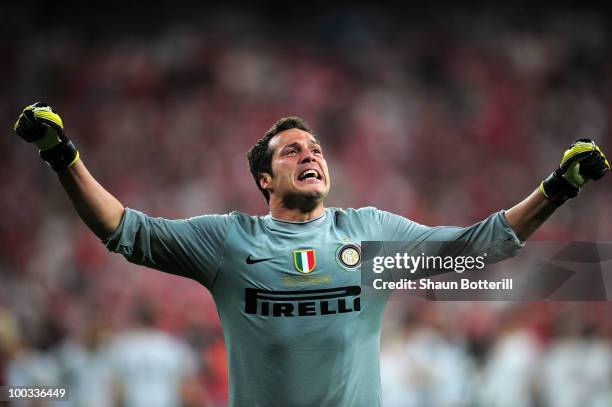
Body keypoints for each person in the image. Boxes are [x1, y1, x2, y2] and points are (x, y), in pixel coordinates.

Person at [12, 102, 610, 407]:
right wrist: (62, 156)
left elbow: (475, 249)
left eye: (317, 147)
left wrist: (556, 189)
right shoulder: (227, 241)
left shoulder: (370, 236)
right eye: (292, 150)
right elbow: (123, 228)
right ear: (265, 181)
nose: (311, 154)